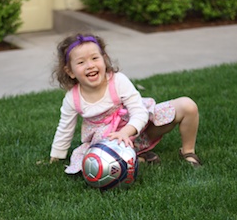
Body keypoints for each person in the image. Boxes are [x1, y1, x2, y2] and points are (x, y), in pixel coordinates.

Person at [50, 33, 202, 174]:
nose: (90, 65)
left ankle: (188, 151)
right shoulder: (72, 98)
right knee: (96, 165)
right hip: (109, 142)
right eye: (81, 62)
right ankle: (138, 157)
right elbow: (65, 129)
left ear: (104, 59)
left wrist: (125, 132)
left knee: (187, 106)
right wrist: (55, 158)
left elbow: (140, 112)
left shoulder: (118, 81)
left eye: (95, 58)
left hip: (139, 130)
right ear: (70, 71)